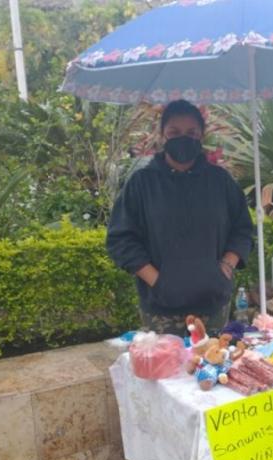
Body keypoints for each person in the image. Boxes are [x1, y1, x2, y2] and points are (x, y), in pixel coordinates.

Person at [106, 99, 254, 337]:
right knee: (165, 373)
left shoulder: (220, 181)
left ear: (202, 136)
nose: (183, 138)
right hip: (161, 310)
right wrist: (159, 281)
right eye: (174, 132)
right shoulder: (142, 183)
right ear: (162, 135)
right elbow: (120, 240)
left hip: (213, 305)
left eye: (191, 132)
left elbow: (243, 229)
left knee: (212, 369)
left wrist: (226, 266)